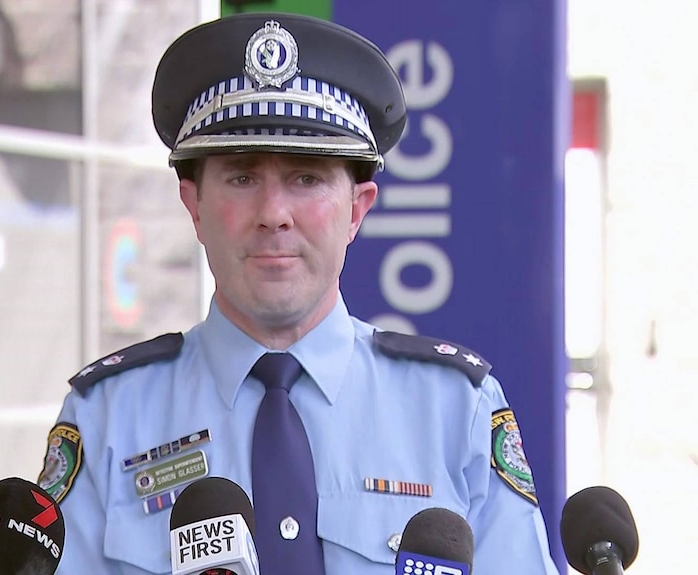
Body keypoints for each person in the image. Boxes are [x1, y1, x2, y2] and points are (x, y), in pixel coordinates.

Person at [38, 11, 559, 575]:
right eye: (242, 177)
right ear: (194, 206)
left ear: (357, 210)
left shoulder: (457, 411)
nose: (274, 215)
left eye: (307, 178)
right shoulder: (107, 419)